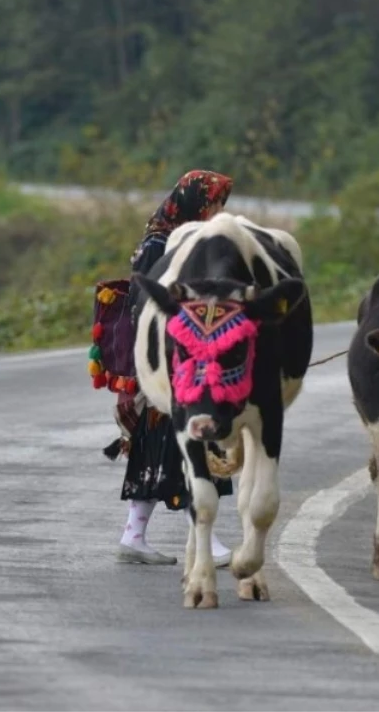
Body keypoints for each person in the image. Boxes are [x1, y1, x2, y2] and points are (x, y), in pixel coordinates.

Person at [109, 169, 236, 565]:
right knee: (185, 446)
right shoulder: (160, 244)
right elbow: (142, 308)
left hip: (195, 362)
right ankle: (205, 540)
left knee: (164, 450)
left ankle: (134, 535)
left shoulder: (198, 243)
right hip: (165, 364)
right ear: (195, 203)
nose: (217, 212)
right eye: (213, 204)